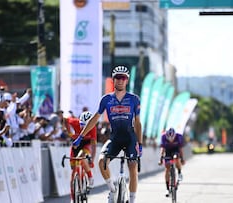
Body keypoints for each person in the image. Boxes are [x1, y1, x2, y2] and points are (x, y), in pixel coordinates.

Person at [73, 65, 143, 203]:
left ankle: (133, 200)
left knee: (133, 167)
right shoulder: (106, 99)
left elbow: (138, 123)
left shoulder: (134, 99)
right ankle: (112, 190)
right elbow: (94, 119)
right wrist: (81, 136)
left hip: (130, 138)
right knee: (101, 161)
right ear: (113, 80)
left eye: (123, 78)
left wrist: (139, 143)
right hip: (115, 138)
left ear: (127, 80)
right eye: (117, 77)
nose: (120, 80)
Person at [66, 111, 96, 199]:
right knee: (73, 171)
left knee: (81, 158)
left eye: (86, 126)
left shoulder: (93, 128)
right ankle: (73, 197)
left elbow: (93, 146)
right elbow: (65, 120)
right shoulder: (74, 122)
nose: (84, 128)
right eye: (82, 125)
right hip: (76, 143)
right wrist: (69, 133)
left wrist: (92, 160)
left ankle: (90, 176)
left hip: (86, 144)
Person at [158, 127, 185, 197]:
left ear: (174, 135)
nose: (170, 140)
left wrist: (182, 159)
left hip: (176, 150)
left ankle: (179, 172)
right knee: (167, 168)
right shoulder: (163, 137)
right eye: (169, 138)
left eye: (172, 138)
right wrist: (161, 159)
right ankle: (167, 189)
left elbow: (181, 149)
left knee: (176, 158)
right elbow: (162, 149)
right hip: (168, 151)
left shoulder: (179, 137)